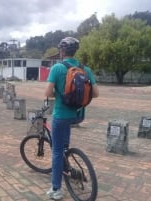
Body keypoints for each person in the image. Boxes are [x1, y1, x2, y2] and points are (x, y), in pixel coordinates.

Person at [44, 37, 99, 200]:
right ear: (76, 51)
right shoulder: (85, 69)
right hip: (77, 115)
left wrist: (60, 95)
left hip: (61, 115)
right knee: (63, 146)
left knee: (56, 151)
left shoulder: (57, 68)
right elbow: (96, 93)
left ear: (61, 51)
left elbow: (47, 93)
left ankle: (56, 189)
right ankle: (67, 158)